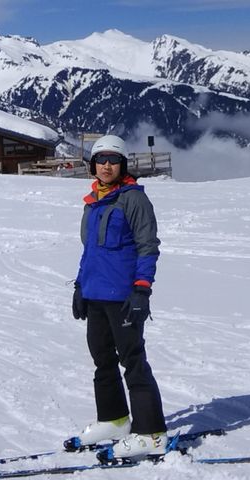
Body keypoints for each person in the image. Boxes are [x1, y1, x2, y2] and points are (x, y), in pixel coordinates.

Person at [71, 134, 167, 460]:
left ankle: (151, 434)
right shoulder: (93, 203)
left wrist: (142, 289)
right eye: (101, 160)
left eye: (113, 160)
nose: (107, 165)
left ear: (122, 164)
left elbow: (147, 247)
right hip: (96, 294)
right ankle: (114, 419)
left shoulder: (133, 199)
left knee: (133, 363)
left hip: (124, 296)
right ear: (93, 165)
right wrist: (80, 286)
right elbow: (90, 251)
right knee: (103, 362)